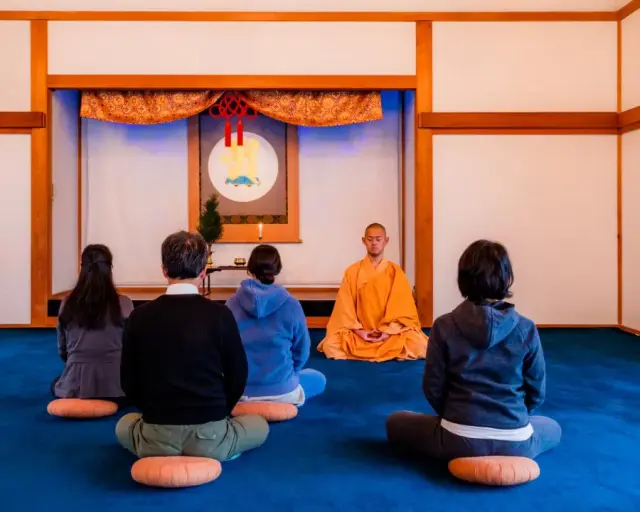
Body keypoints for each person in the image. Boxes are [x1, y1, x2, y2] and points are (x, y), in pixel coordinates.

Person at [386, 240, 562, 461]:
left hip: (456, 439)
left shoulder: (443, 325)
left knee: (395, 422)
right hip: (517, 442)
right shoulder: (526, 328)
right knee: (552, 427)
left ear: (462, 279)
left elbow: (433, 386)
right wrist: (511, 419)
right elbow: (536, 390)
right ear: (507, 278)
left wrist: (454, 416)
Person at [115, 231, 269, 461]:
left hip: (156, 434)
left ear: (164, 270)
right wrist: (219, 412)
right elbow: (238, 375)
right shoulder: (220, 315)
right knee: (259, 425)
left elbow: (128, 380)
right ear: (203, 272)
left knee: (123, 424)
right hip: (212, 435)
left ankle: (159, 446)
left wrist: (152, 411)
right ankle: (219, 447)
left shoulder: (139, 316)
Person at [226, 245, 326, 406]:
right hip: (282, 391)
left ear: (249, 269)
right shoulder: (292, 304)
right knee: (317, 378)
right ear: (277, 269)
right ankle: (281, 402)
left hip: (241, 393)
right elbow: (302, 350)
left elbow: (225, 352)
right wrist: (288, 375)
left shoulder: (231, 304)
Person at [317, 223, 428, 362]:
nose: (374, 243)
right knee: (330, 345)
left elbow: (403, 310)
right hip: (360, 333)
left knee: (420, 345)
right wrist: (359, 331)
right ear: (363, 241)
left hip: (389, 332)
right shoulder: (352, 271)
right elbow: (344, 308)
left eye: (378, 239)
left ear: (386, 241)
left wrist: (388, 331)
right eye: (370, 239)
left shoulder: (395, 272)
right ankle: (385, 350)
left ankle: (374, 347)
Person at [52, 244, 133, 405]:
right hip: (117, 388)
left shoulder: (67, 303)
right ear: (110, 269)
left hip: (75, 386)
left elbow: (63, 352)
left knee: (55, 383)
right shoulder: (125, 304)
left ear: (82, 269)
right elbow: (132, 350)